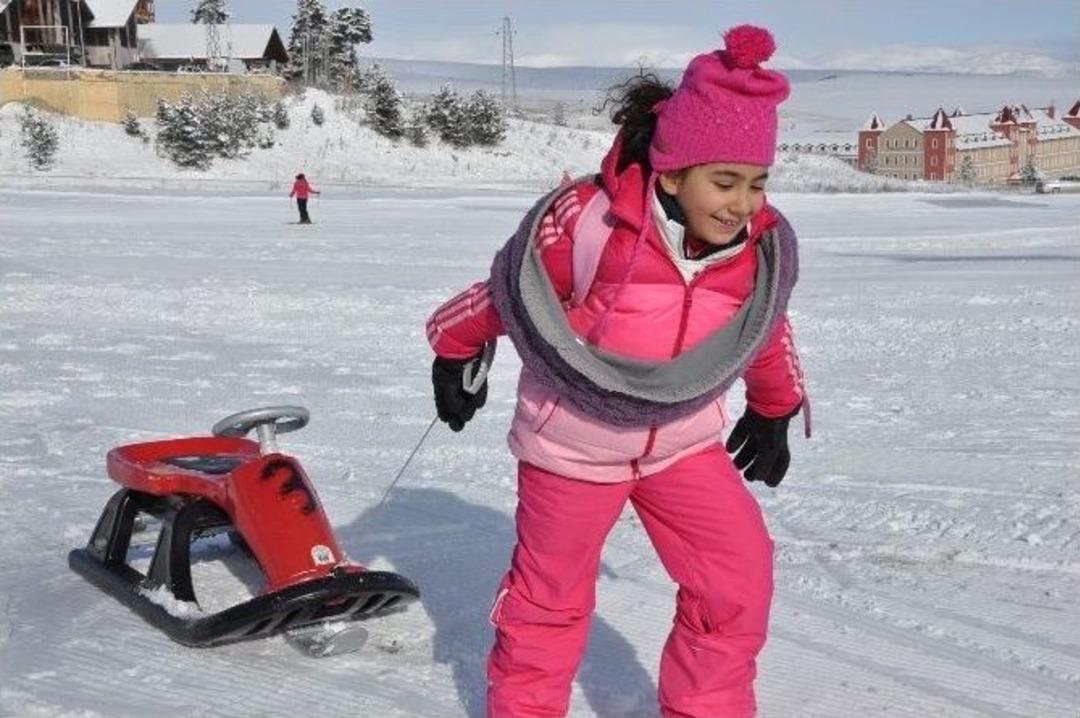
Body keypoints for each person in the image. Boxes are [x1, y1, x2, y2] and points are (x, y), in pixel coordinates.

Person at [426, 25, 807, 718]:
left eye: (756, 182)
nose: (743, 203)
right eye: (725, 181)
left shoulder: (757, 247)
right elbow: (512, 291)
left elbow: (764, 325)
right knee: (551, 601)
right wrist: (452, 349)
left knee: (737, 578)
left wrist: (776, 404)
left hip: (681, 441)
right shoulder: (590, 222)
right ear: (672, 171)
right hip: (572, 447)